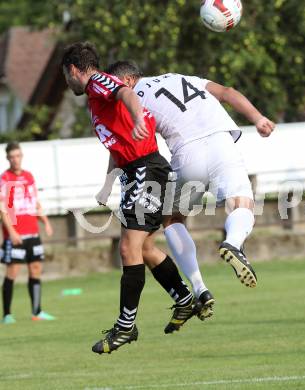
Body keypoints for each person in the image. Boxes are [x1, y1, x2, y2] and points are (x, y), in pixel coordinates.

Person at [61, 42, 203, 355]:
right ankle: (183, 298)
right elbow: (117, 145)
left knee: (128, 248)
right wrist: (108, 183)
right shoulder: (95, 100)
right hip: (136, 171)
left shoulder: (97, 82)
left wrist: (139, 117)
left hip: (146, 170)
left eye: (65, 76)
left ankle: (126, 326)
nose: (67, 83)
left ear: (73, 69)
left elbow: (126, 93)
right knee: (146, 247)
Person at [98, 61, 275, 296]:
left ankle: (199, 287)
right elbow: (227, 93)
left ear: (128, 80)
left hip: (187, 153)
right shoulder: (180, 76)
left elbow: (123, 146)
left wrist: (108, 184)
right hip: (222, 143)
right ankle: (233, 242)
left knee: (172, 219)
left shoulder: (130, 99)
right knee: (241, 204)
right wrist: (258, 118)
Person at [0, 142, 55, 324]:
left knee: (36, 269)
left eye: (18, 155)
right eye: (12, 156)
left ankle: (37, 312)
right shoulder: (5, 178)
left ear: (21, 156)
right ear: (8, 158)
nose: (16, 159)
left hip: (33, 230)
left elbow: (35, 202)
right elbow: (4, 209)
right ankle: (7, 314)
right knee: (12, 272)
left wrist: (45, 222)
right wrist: (11, 232)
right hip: (15, 233)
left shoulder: (29, 176)